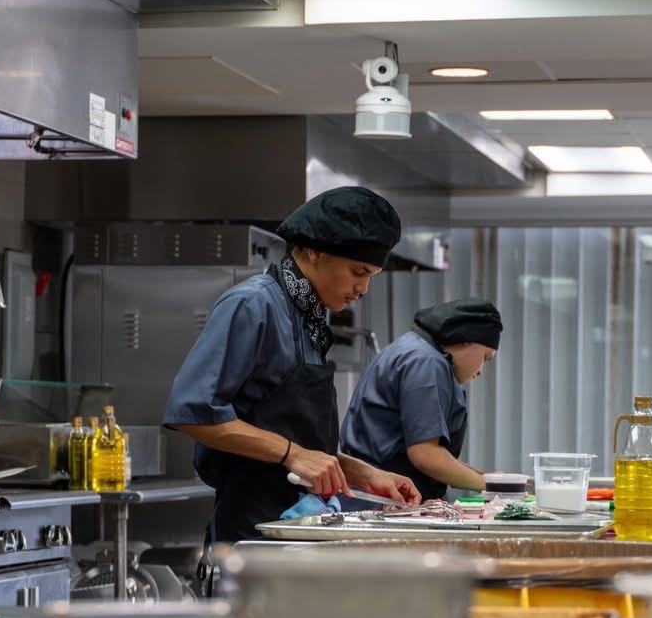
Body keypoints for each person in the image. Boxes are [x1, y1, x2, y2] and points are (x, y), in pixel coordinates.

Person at [165, 185, 423, 542]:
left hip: (301, 528)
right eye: (358, 272)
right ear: (316, 251)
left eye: (370, 277)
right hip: (253, 533)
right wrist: (294, 454)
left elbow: (293, 441)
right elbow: (191, 411)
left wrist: (363, 473)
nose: (363, 289)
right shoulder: (254, 304)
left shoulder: (310, 317)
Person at [340, 297, 500, 499]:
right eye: (485, 357)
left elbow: (433, 452)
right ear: (468, 338)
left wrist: (484, 477)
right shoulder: (426, 363)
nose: (480, 371)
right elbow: (426, 455)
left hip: (379, 493)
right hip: (384, 500)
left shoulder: (412, 349)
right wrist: (488, 485)